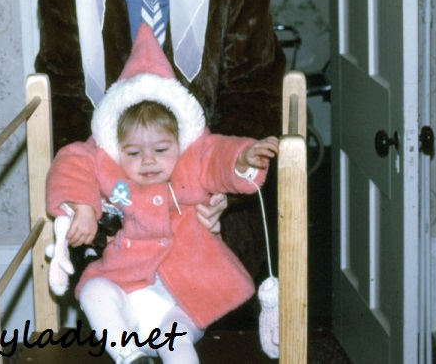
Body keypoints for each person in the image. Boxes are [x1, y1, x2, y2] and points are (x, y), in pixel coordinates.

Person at [34, 0, 286, 283]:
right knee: (112, 301)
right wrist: (104, 193)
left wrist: (218, 186)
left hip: (212, 197)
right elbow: (66, 98)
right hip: (112, 200)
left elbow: (255, 91)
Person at [46, 25, 279, 364]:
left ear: (180, 144)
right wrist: (82, 206)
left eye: (160, 149)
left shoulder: (190, 162)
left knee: (176, 342)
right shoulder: (110, 168)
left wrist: (243, 159)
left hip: (179, 301)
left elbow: (218, 155)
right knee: (92, 291)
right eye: (134, 153)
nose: (148, 161)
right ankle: (128, 356)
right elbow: (73, 161)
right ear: (116, 149)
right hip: (124, 289)